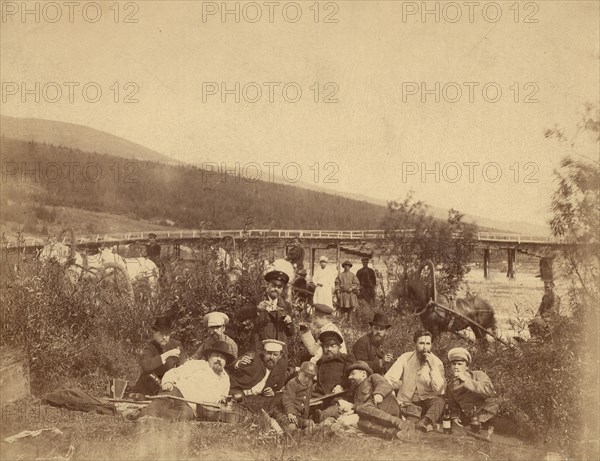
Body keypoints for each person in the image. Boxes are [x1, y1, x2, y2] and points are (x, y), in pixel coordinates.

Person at [137, 340, 233, 422]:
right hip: (177, 392)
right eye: (216, 355)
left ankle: (155, 422)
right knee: (161, 403)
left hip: (192, 406)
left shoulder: (226, 379)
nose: (219, 359)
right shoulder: (197, 364)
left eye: (222, 357)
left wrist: (223, 402)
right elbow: (175, 372)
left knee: (183, 416)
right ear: (209, 357)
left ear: (226, 361)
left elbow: (223, 400)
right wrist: (168, 382)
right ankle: (142, 418)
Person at [384, 330, 446, 432]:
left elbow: (440, 391)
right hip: (407, 402)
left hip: (427, 403)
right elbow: (389, 379)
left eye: (428, 344)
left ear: (431, 345)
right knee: (398, 408)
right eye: (421, 343)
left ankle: (424, 422)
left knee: (440, 402)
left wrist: (433, 368)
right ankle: (420, 424)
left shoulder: (437, 362)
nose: (425, 348)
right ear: (415, 344)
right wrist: (393, 398)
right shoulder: (405, 358)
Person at [345, 361, 412, 439]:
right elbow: (361, 407)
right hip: (374, 413)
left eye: (353, 374)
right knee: (361, 422)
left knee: (362, 408)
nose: (349, 377)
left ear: (363, 373)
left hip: (386, 405)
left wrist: (379, 393)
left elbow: (384, 384)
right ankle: (394, 433)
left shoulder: (373, 377)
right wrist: (353, 409)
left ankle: (399, 422)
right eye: (349, 375)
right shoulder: (355, 391)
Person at [237, 271, 295, 351]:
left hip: (278, 352)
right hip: (259, 349)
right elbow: (239, 316)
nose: (276, 289)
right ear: (267, 285)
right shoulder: (256, 300)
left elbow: (290, 333)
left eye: (279, 287)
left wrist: (289, 323)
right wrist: (257, 308)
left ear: (282, 289)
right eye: (273, 285)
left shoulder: (286, 306)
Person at [229, 339, 289, 416]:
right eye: (269, 353)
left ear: (280, 356)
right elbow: (231, 366)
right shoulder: (253, 357)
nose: (271, 357)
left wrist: (272, 391)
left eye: (275, 355)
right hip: (239, 391)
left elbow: (278, 387)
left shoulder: (280, 370)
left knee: (282, 398)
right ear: (264, 352)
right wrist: (239, 363)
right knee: (237, 398)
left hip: (256, 398)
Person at [130, 316, 186, 397]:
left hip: (169, 384)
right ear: (154, 333)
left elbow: (182, 367)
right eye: (161, 334)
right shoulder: (150, 347)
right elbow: (146, 366)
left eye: (167, 334)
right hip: (149, 385)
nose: (164, 337)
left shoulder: (176, 345)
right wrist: (167, 354)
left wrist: (171, 380)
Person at [445, 347, 498, 429]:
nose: (456, 367)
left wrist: (466, 380)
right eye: (453, 364)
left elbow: (490, 391)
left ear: (467, 366)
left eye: (459, 364)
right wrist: (455, 417)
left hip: (488, 415)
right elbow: (453, 405)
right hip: (469, 419)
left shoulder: (478, 375)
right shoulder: (451, 386)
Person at [312, 331, 354, 423]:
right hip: (321, 395)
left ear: (339, 347)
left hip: (339, 394)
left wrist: (341, 385)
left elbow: (350, 375)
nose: (329, 349)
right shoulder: (320, 362)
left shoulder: (347, 359)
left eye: (333, 346)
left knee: (339, 405)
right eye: (326, 346)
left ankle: (322, 416)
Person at [280, 361, 318, 432]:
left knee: (310, 423)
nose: (307, 379)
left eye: (310, 377)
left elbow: (307, 401)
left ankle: (303, 432)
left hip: (300, 417)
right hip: (290, 415)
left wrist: (305, 416)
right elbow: (288, 400)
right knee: (292, 427)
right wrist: (291, 413)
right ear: (299, 373)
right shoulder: (293, 383)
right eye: (305, 375)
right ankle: (299, 433)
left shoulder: (309, 384)